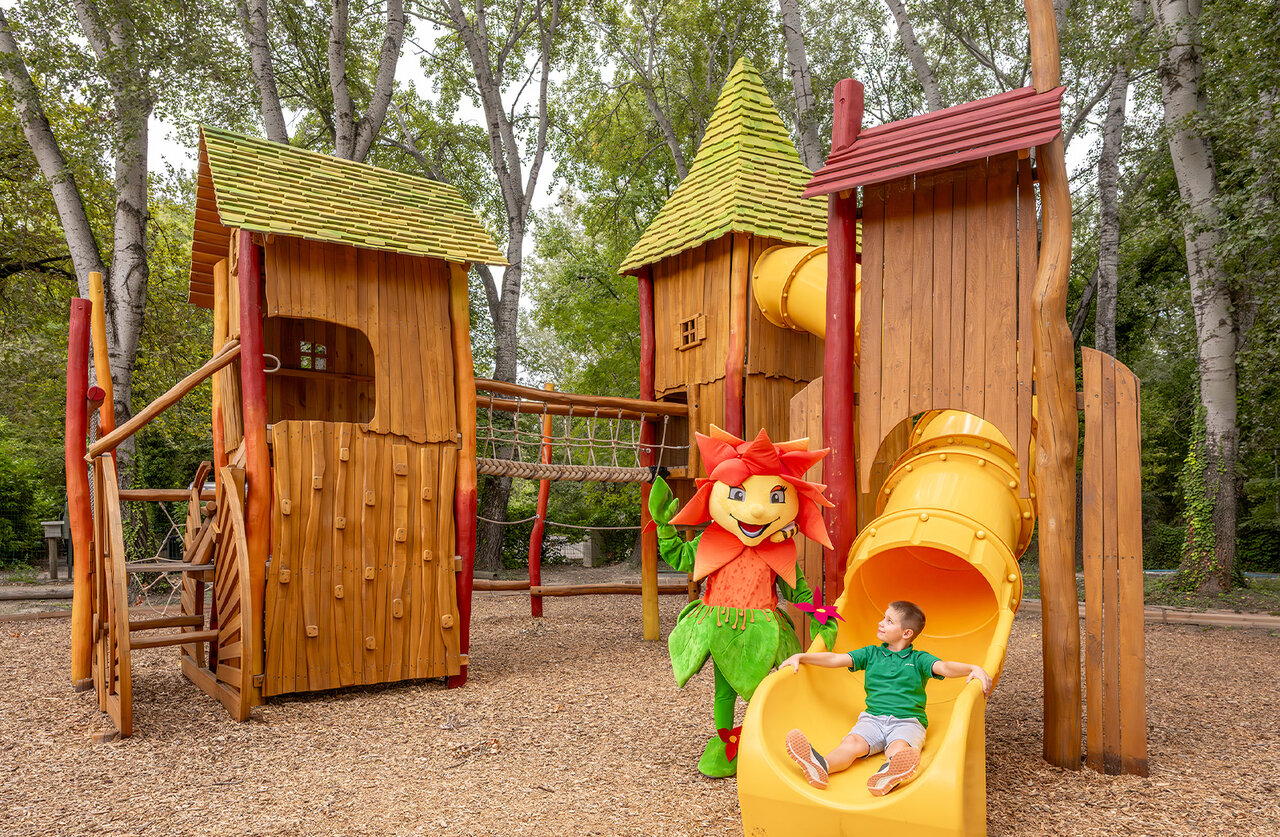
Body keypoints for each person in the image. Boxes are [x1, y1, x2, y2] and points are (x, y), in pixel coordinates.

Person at [780, 600, 992, 796]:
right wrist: (802, 656)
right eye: (883, 618)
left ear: (906, 633)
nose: (881, 623)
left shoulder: (919, 659)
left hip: (907, 721)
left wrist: (972, 668)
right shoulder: (871, 654)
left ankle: (889, 774)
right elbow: (835, 659)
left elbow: (945, 667)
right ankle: (821, 766)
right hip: (872, 719)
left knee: (898, 748)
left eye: (889, 621)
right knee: (852, 743)